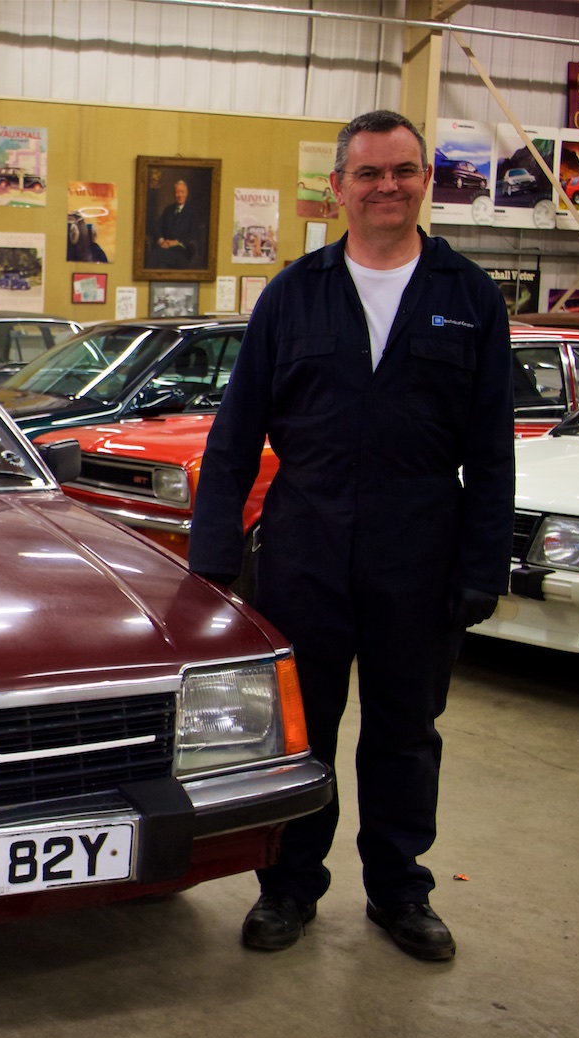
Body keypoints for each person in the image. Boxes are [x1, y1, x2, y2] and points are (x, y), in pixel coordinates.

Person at [188, 110, 514, 961]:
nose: (387, 187)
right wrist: (213, 562)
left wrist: (482, 566)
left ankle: (401, 891)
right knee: (306, 731)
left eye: (403, 170)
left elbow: (491, 449)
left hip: (422, 548)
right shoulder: (292, 293)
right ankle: (290, 888)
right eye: (368, 173)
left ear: (424, 181)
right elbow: (232, 440)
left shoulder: (468, 298)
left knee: (407, 731)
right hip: (306, 546)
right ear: (338, 187)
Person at [150, 178, 205, 269]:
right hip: (166, 249)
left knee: (156, 254)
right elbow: (157, 226)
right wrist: (161, 240)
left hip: (182, 252)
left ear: (186, 193)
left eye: (182, 192)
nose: (179, 195)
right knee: (161, 266)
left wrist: (175, 242)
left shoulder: (192, 212)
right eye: (177, 192)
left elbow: (193, 235)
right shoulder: (169, 210)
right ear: (174, 194)